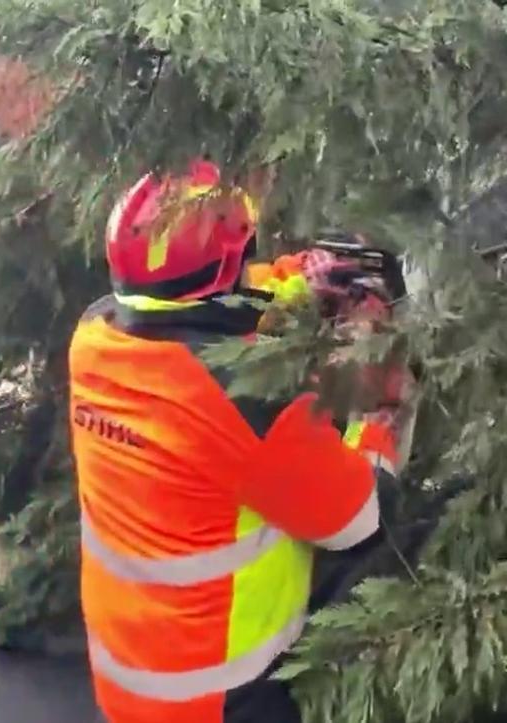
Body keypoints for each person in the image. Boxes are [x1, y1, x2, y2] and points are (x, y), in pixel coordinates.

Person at [68, 159, 403, 723]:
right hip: (219, 699)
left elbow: (204, 314)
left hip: (126, 682)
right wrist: (374, 407)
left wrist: (301, 283)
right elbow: (362, 516)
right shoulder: (243, 402)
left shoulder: (96, 337)